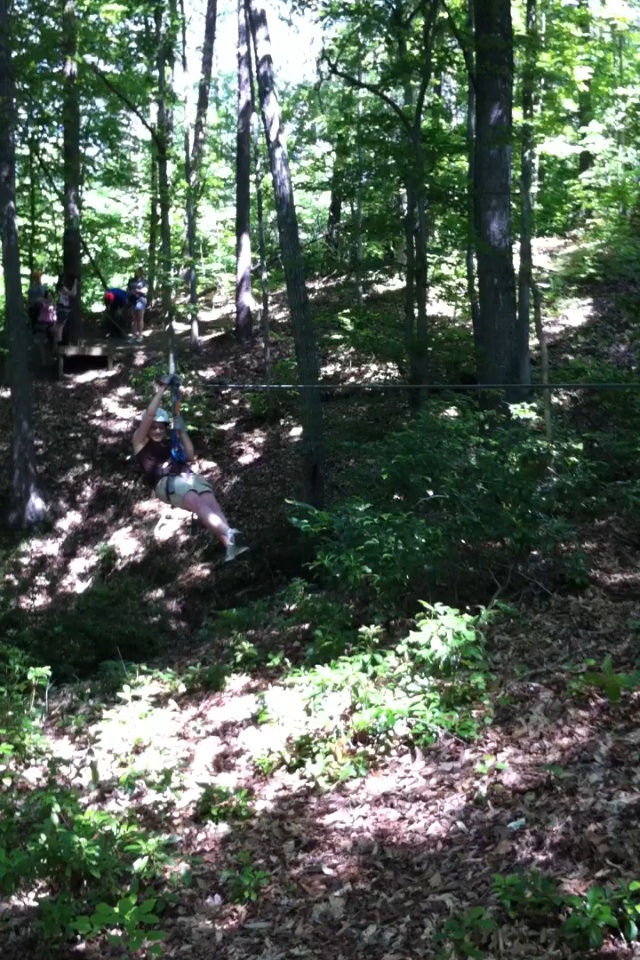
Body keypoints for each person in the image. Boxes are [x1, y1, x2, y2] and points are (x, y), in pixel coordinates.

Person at [132, 376, 249, 562]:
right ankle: (230, 533)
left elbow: (190, 456)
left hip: (187, 476)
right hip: (168, 482)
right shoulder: (140, 444)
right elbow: (149, 416)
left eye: (161, 428)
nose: (157, 431)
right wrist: (163, 388)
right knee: (198, 504)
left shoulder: (170, 446)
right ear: (146, 430)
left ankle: (229, 545)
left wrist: (183, 431)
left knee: (212, 505)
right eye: (153, 428)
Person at [55, 272, 78, 344]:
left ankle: (59, 341)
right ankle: (59, 342)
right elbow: (73, 293)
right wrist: (75, 283)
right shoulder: (63, 288)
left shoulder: (59, 287)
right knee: (61, 326)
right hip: (63, 308)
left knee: (60, 326)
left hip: (60, 308)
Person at [127, 267, 148, 344]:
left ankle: (140, 335)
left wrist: (137, 291)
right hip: (132, 301)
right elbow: (128, 290)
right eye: (136, 271)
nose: (137, 272)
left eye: (138, 271)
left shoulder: (144, 281)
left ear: (141, 272)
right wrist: (129, 294)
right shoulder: (131, 280)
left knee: (140, 318)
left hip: (141, 301)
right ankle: (133, 336)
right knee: (134, 319)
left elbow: (145, 291)